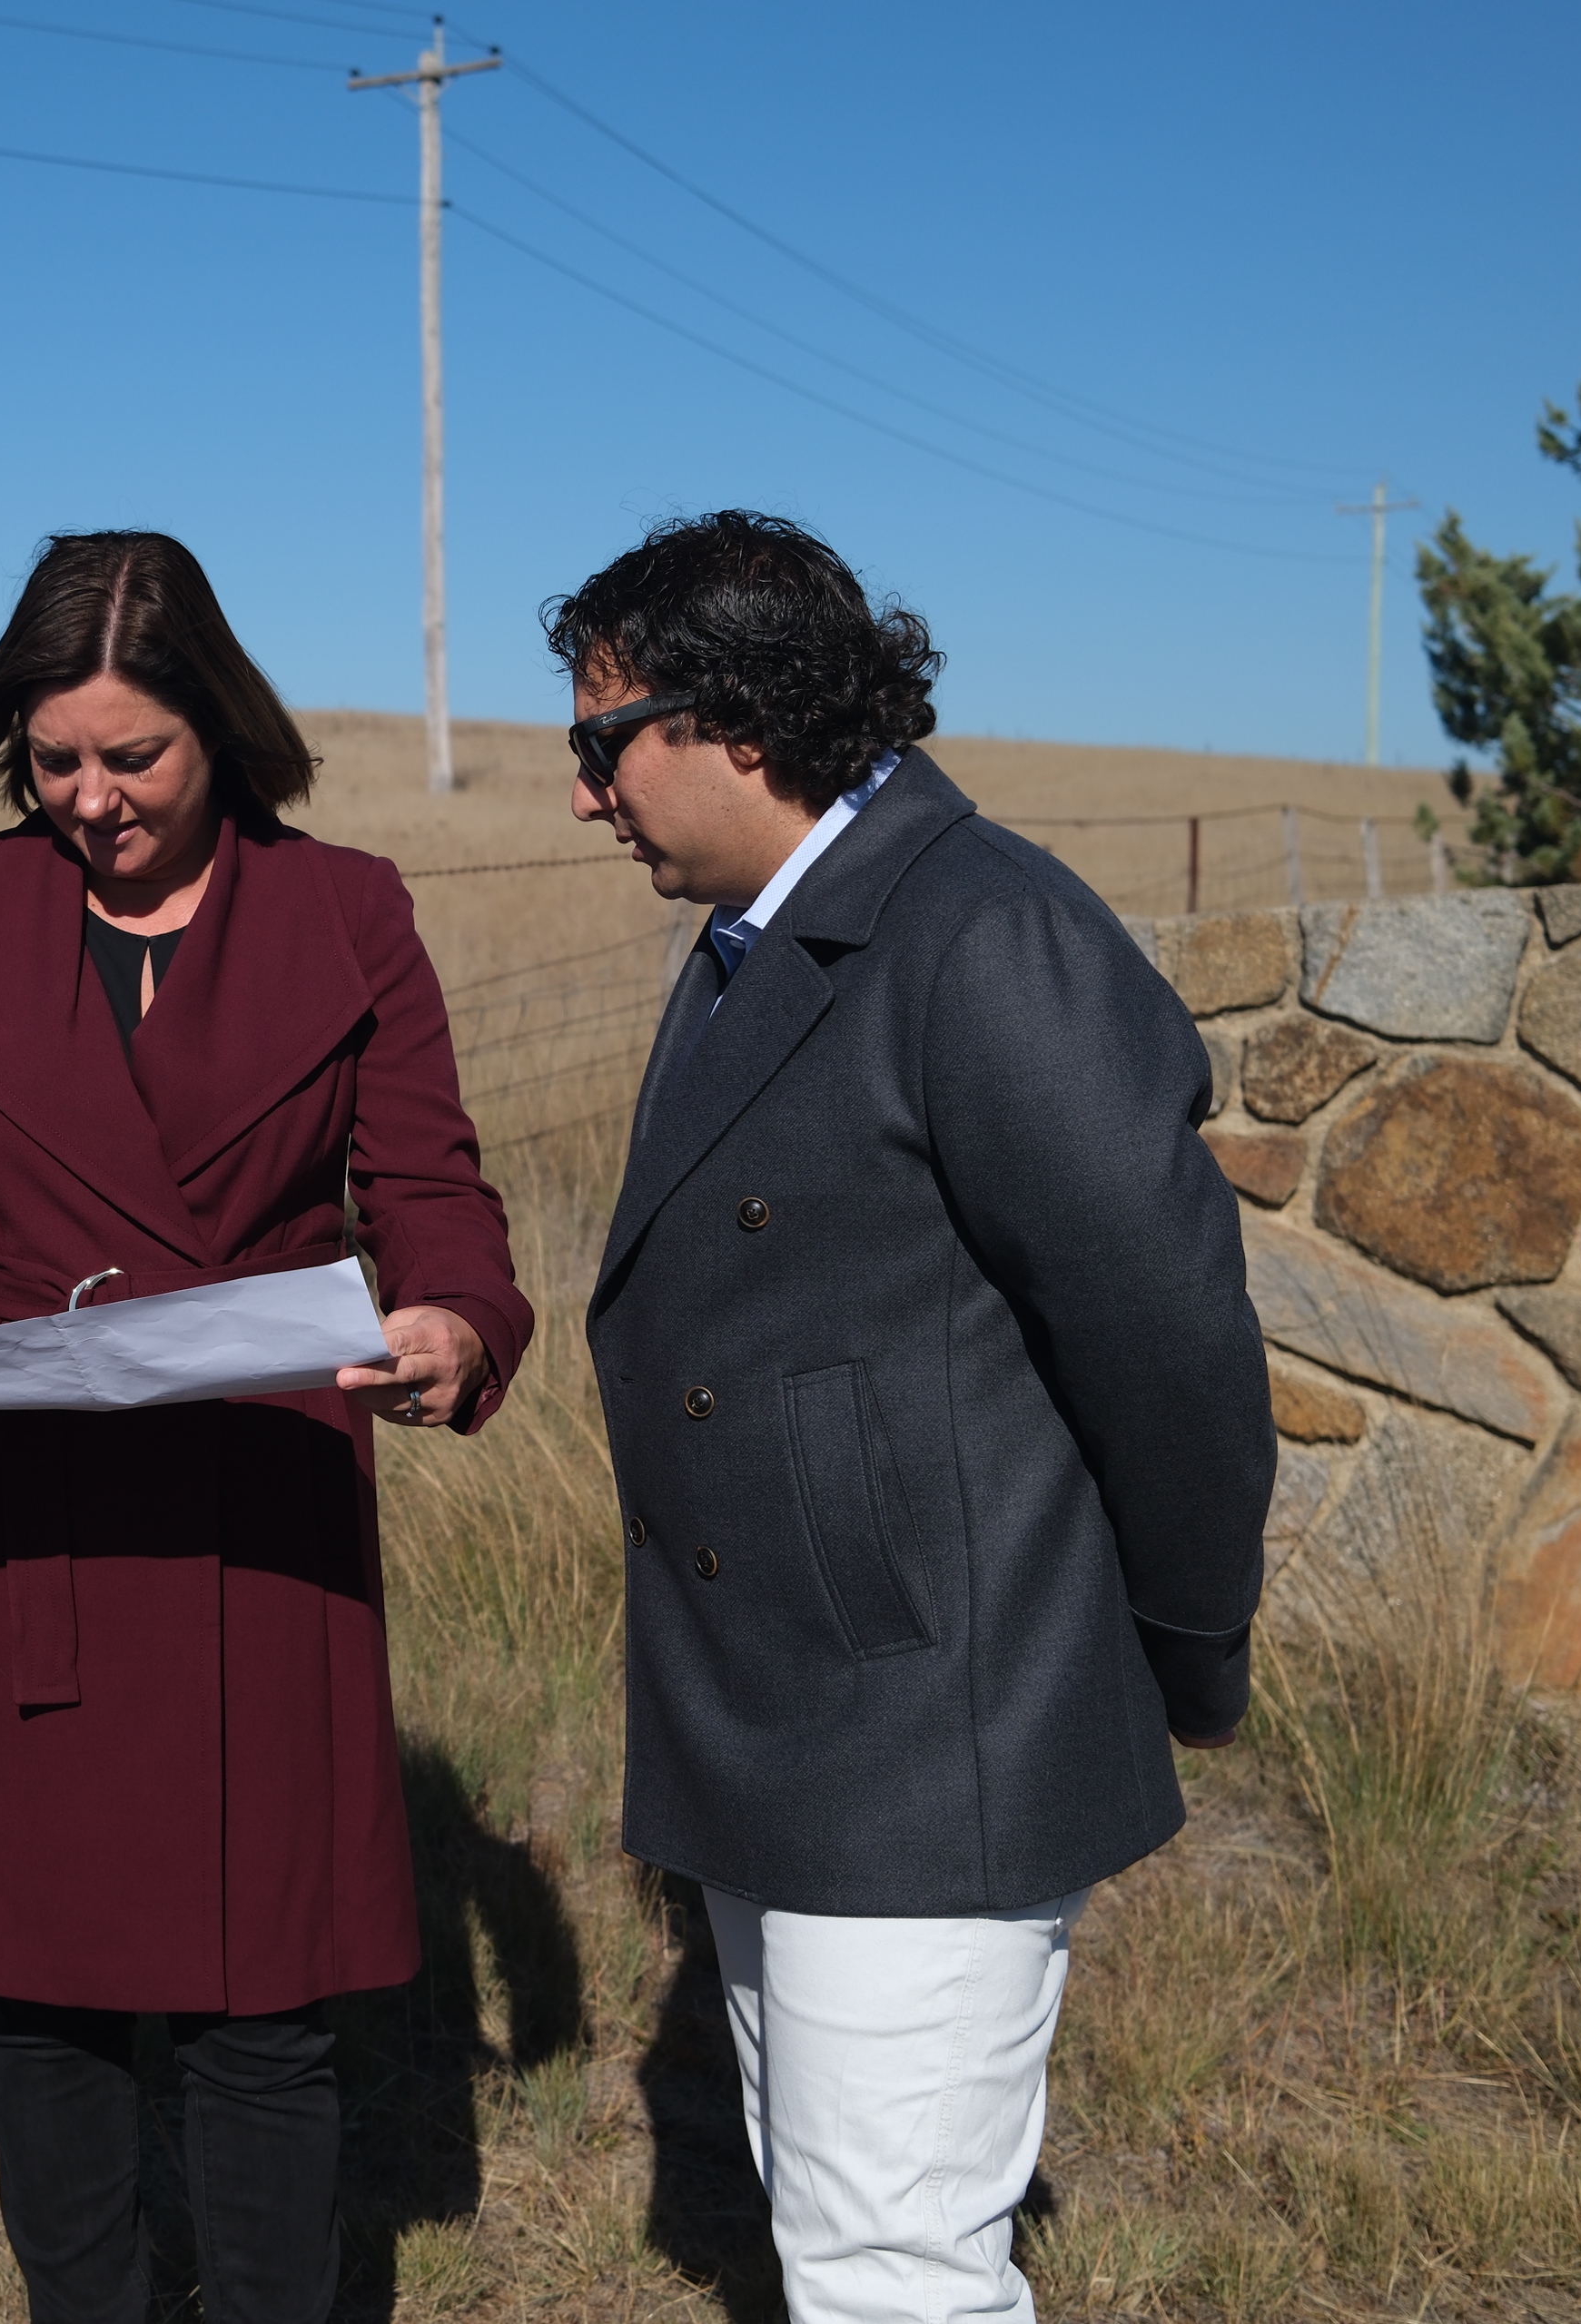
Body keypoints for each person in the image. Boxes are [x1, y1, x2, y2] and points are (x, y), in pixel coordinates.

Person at [0, 532, 535, 2324]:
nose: (94, 797)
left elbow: (429, 1190)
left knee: (261, 2008)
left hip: (252, 1517)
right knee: (42, 2005)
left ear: (220, 725)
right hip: (15, 1516)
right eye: (56, 762)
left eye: (135, 757)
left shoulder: (348, 909)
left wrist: (455, 1318)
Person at [556, 511, 1272, 2320]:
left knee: (895, 2268)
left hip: (933, 1721)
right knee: (832, 2226)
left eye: (600, 739)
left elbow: (1168, 1330)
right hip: (768, 1714)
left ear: (732, 720)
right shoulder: (753, 938)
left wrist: (1182, 1644)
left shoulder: (984, 929)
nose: (583, 794)